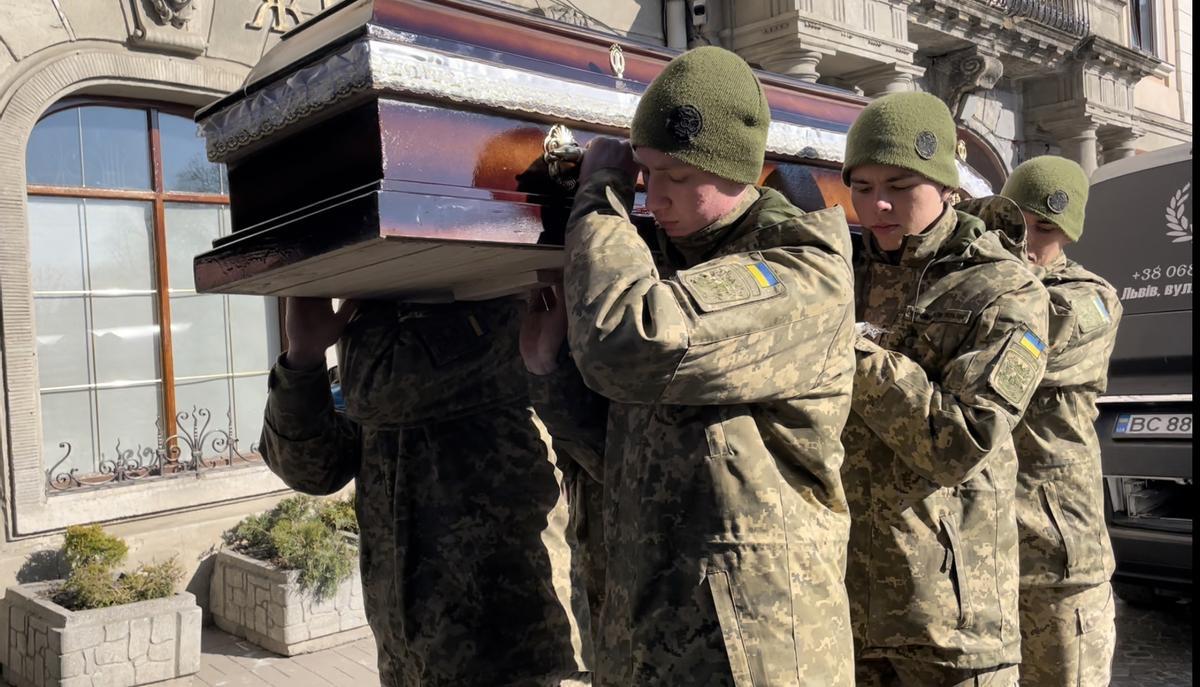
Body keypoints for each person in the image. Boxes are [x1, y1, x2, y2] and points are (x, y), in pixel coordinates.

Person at [521, 45, 858, 685]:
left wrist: (599, 194)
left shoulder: (800, 271)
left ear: (741, 170)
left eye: (678, 174)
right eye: (646, 172)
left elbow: (629, 344)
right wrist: (549, 371)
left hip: (749, 654)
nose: (656, 195)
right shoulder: (672, 268)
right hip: (648, 640)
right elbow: (623, 458)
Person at [260, 296, 590, 686]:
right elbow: (314, 471)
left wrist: (349, 345)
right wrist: (303, 360)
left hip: (514, 646)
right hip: (407, 652)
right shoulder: (375, 334)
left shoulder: (507, 314)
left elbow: (393, 389)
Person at [838, 91, 1051, 686]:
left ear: (948, 189)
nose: (877, 204)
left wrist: (850, 345)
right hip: (842, 608)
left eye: (901, 186)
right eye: (862, 186)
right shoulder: (844, 273)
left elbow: (958, 439)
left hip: (950, 628)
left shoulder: (1005, 290)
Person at [1000, 156, 1122, 687]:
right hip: (989, 547)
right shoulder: (989, 285)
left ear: (1068, 233)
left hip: (1058, 556)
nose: (1027, 238)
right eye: (1015, 222)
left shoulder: (1093, 299)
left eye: (1044, 227)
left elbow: (1027, 340)